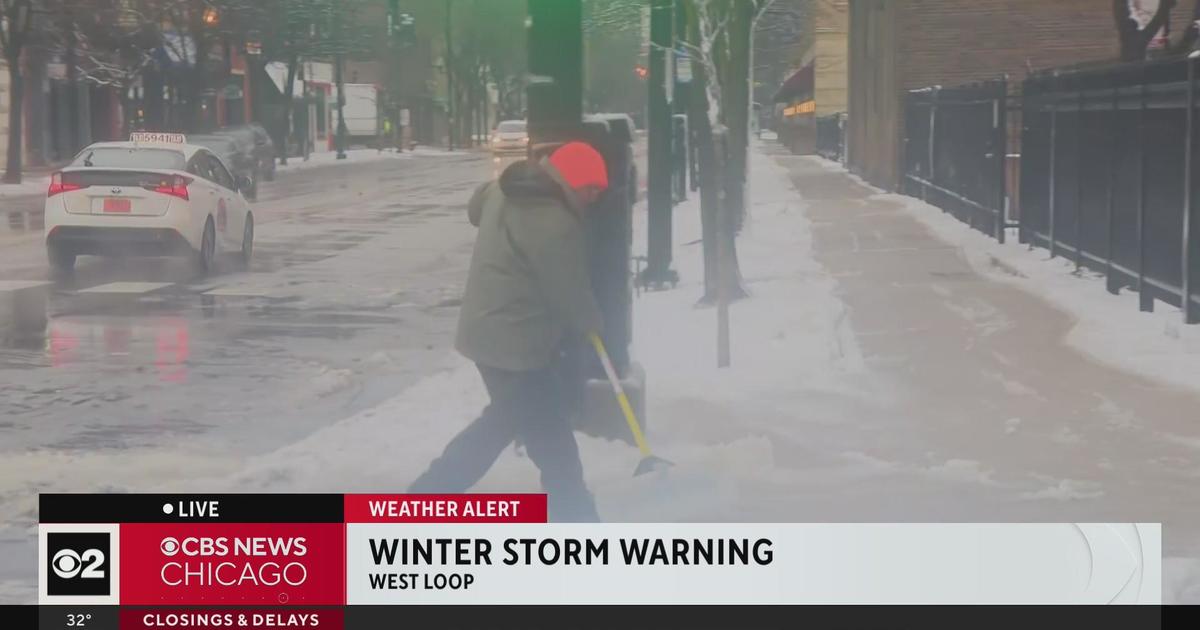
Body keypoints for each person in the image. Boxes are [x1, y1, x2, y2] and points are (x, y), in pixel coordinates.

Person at [409, 141, 609, 522]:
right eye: (592, 187)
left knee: (508, 422)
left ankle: (426, 497)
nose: (595, 197)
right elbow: (567, 288)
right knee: (549, 440)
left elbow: (475, 206)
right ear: (572, 179)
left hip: (487, 332)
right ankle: (578, 521)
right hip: (515, 344)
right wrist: (591, 323)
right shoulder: (553, 220)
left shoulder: (505, 189)